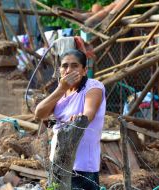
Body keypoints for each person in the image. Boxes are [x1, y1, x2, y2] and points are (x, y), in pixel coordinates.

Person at [35, 49, 106, 190]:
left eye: (74, 66)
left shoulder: (93, 86)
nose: (69, 70)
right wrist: (61, 88)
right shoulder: (60, 93)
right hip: (58, 161)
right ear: (59, 70)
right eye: (65, 66)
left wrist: (81, 118)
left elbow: (88, 113)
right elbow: (39, 114)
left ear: (84, 70)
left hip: (83, 167)